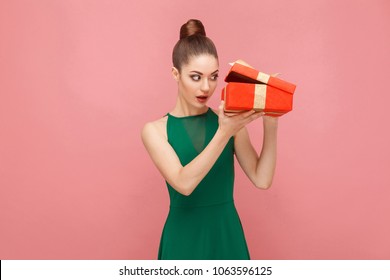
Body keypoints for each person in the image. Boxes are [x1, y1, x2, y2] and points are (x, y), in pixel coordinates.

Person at [141, 19, 278, 260]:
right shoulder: (155, 131)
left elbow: (262, 179)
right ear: (176, 73)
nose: (206, 87)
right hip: (183, 238)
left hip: (226, 234)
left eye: (213, 77)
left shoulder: (229, 121)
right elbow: (184, 184)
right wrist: (224, 131)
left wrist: (271, 119)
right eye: (196, 77)